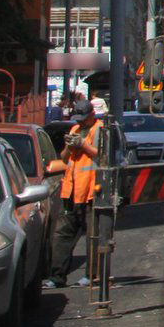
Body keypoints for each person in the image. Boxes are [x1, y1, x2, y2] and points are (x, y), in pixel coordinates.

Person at [44, 97, 104, 288]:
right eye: (77, 117)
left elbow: (103, 155)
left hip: (91, 191)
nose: (79, 121)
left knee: (93, 235)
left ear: (92, 115)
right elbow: (63, 157)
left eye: (83, 118)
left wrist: (83, 145)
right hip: (71, 190)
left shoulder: (100, 129)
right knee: (62, 235)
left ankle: (92, 276)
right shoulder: (75, 129)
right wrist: (70, 147)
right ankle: (56, 277)